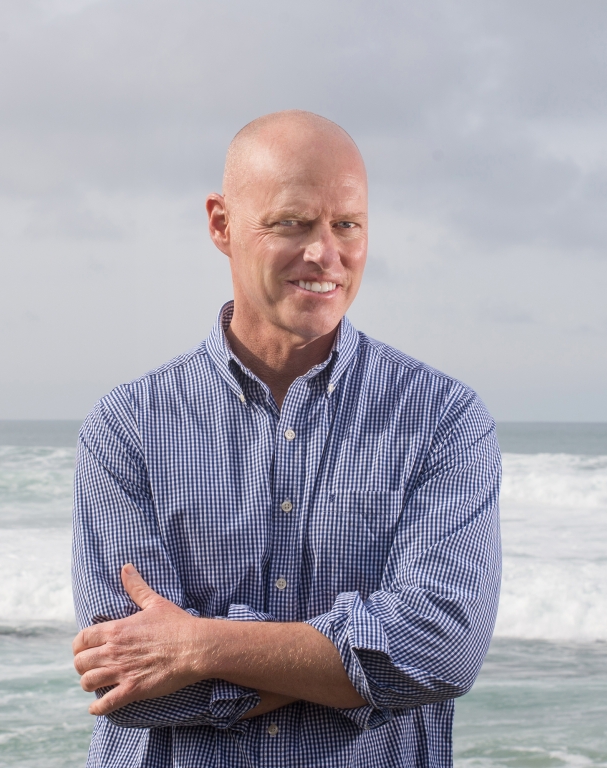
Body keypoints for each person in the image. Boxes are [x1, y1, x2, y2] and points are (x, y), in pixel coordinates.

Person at [71, 110, 501, 768]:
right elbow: (123, 683)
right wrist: (354, 673)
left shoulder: (443, 419)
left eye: (347, 225)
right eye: (292, 223)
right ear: (222, 224)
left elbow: (441, 650)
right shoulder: (126, 426)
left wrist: (198, 648)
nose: (325, 254)